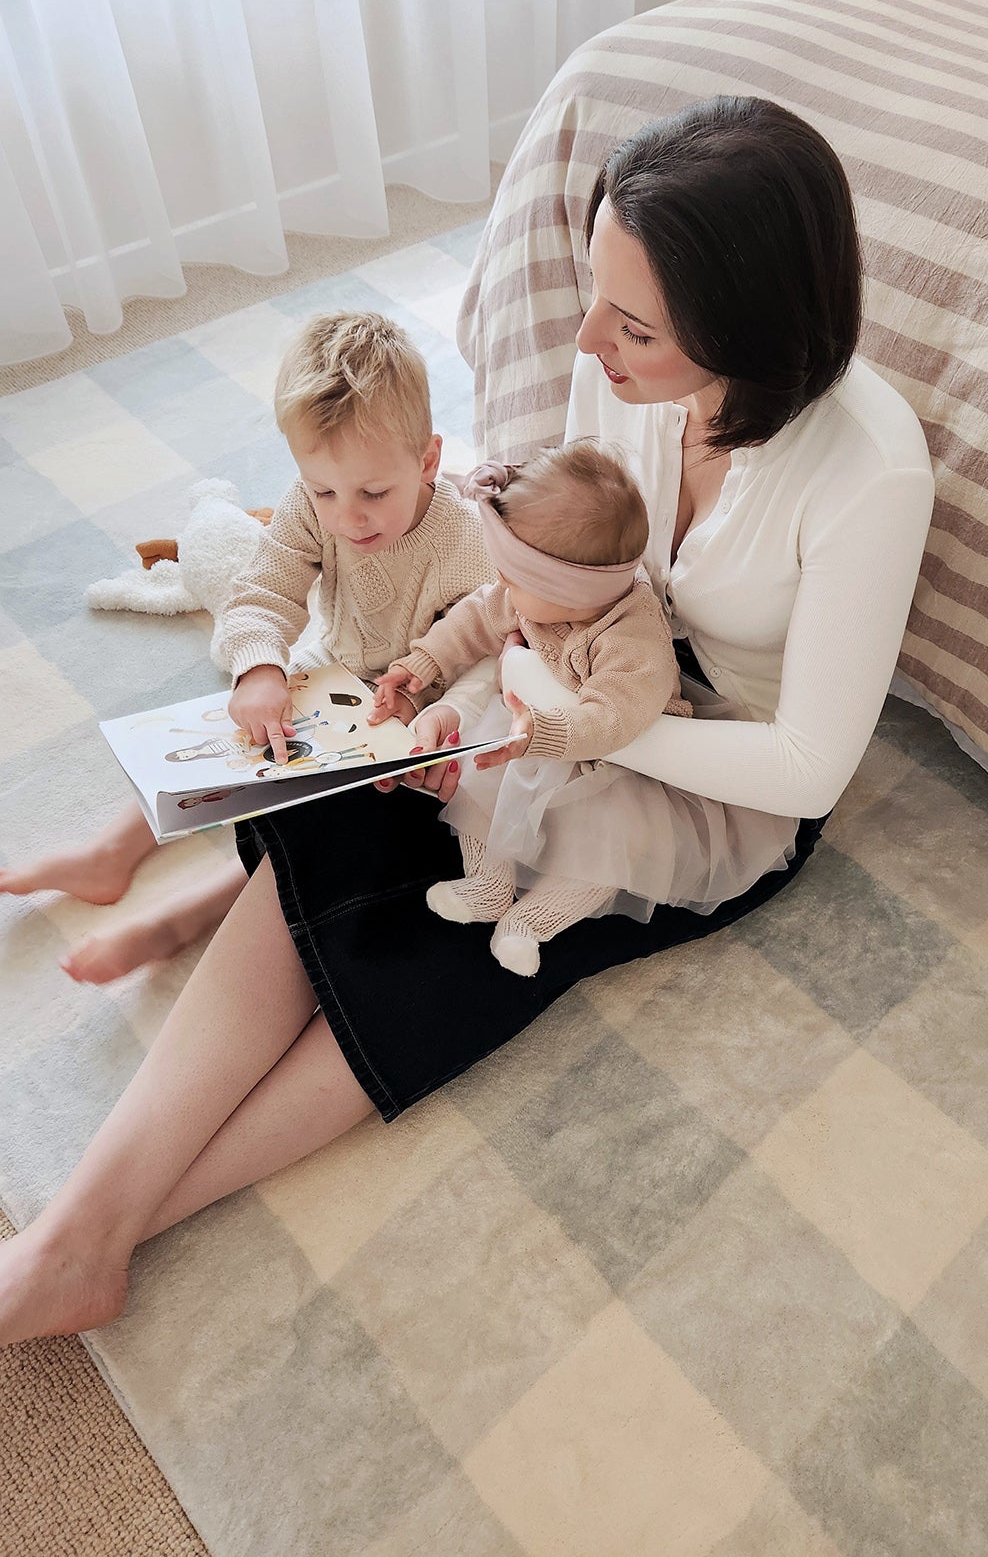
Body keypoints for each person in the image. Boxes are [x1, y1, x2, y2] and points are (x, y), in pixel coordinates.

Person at [0, 95, 934, 1346]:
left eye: (634, 323)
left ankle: (93, 1240)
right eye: (595, 290)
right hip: (565, 682)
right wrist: (480, 680)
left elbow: (812, 769)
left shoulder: (870, 468)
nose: (589, 336)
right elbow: (554, 564)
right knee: (366, 805)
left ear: (746, 328)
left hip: (713, 789)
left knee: (455, 950)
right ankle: (77, 1230)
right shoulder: (620, 382)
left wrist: (564, 727)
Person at [0, 310, 491, 984]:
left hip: (414, 710)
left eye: (375, 492)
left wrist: (442, 719)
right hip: (336, 664)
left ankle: (180, 918)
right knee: (237, 735)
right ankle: (111, 853)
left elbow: (490, 650)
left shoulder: (466, 541)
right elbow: (263, 589)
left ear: (429, 459)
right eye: (325, 490)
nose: (348, 515)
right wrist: (259, 666)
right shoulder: (309, 504)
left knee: (310, 829)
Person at [387, 441, 798, 977]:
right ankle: (489, 885)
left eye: (513, 579)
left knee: (619, 844)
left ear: (570, 589)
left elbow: (616, 717)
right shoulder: (532, 597)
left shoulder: (634, 641)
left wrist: (547, 730)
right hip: (536, 733)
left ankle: (533, 921)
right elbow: (476, 617)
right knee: (477, 780)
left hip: (623, 762)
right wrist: (423, 664)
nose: (501, 587)